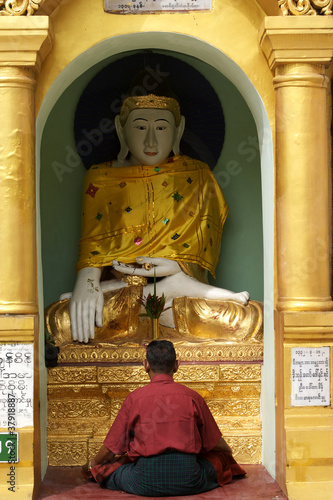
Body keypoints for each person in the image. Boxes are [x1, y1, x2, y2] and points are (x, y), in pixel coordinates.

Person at [59, 93, 251, 343]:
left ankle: (162, 290)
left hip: (180, 299)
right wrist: (88, 282)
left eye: (161, 127)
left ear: (178, 130)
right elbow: (92, 247)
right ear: (121, 130)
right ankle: (150, 293)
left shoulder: (197, 176)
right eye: (140, 127)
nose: (151, 140)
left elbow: (198, 253)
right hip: (124, 294)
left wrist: (179, 268)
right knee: (62, 321)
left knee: (244, 320)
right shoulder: (101, 177)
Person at [82, 340, 245, 495]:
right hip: (189, 479)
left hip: (143, 481)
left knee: (110, 469)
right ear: (176, 365)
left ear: (146, 365)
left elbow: (112, 449)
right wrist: (228, 454)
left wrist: (93, 465)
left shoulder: (134, 399)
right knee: (220, 461)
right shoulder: (193, 397)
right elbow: (215, 443)